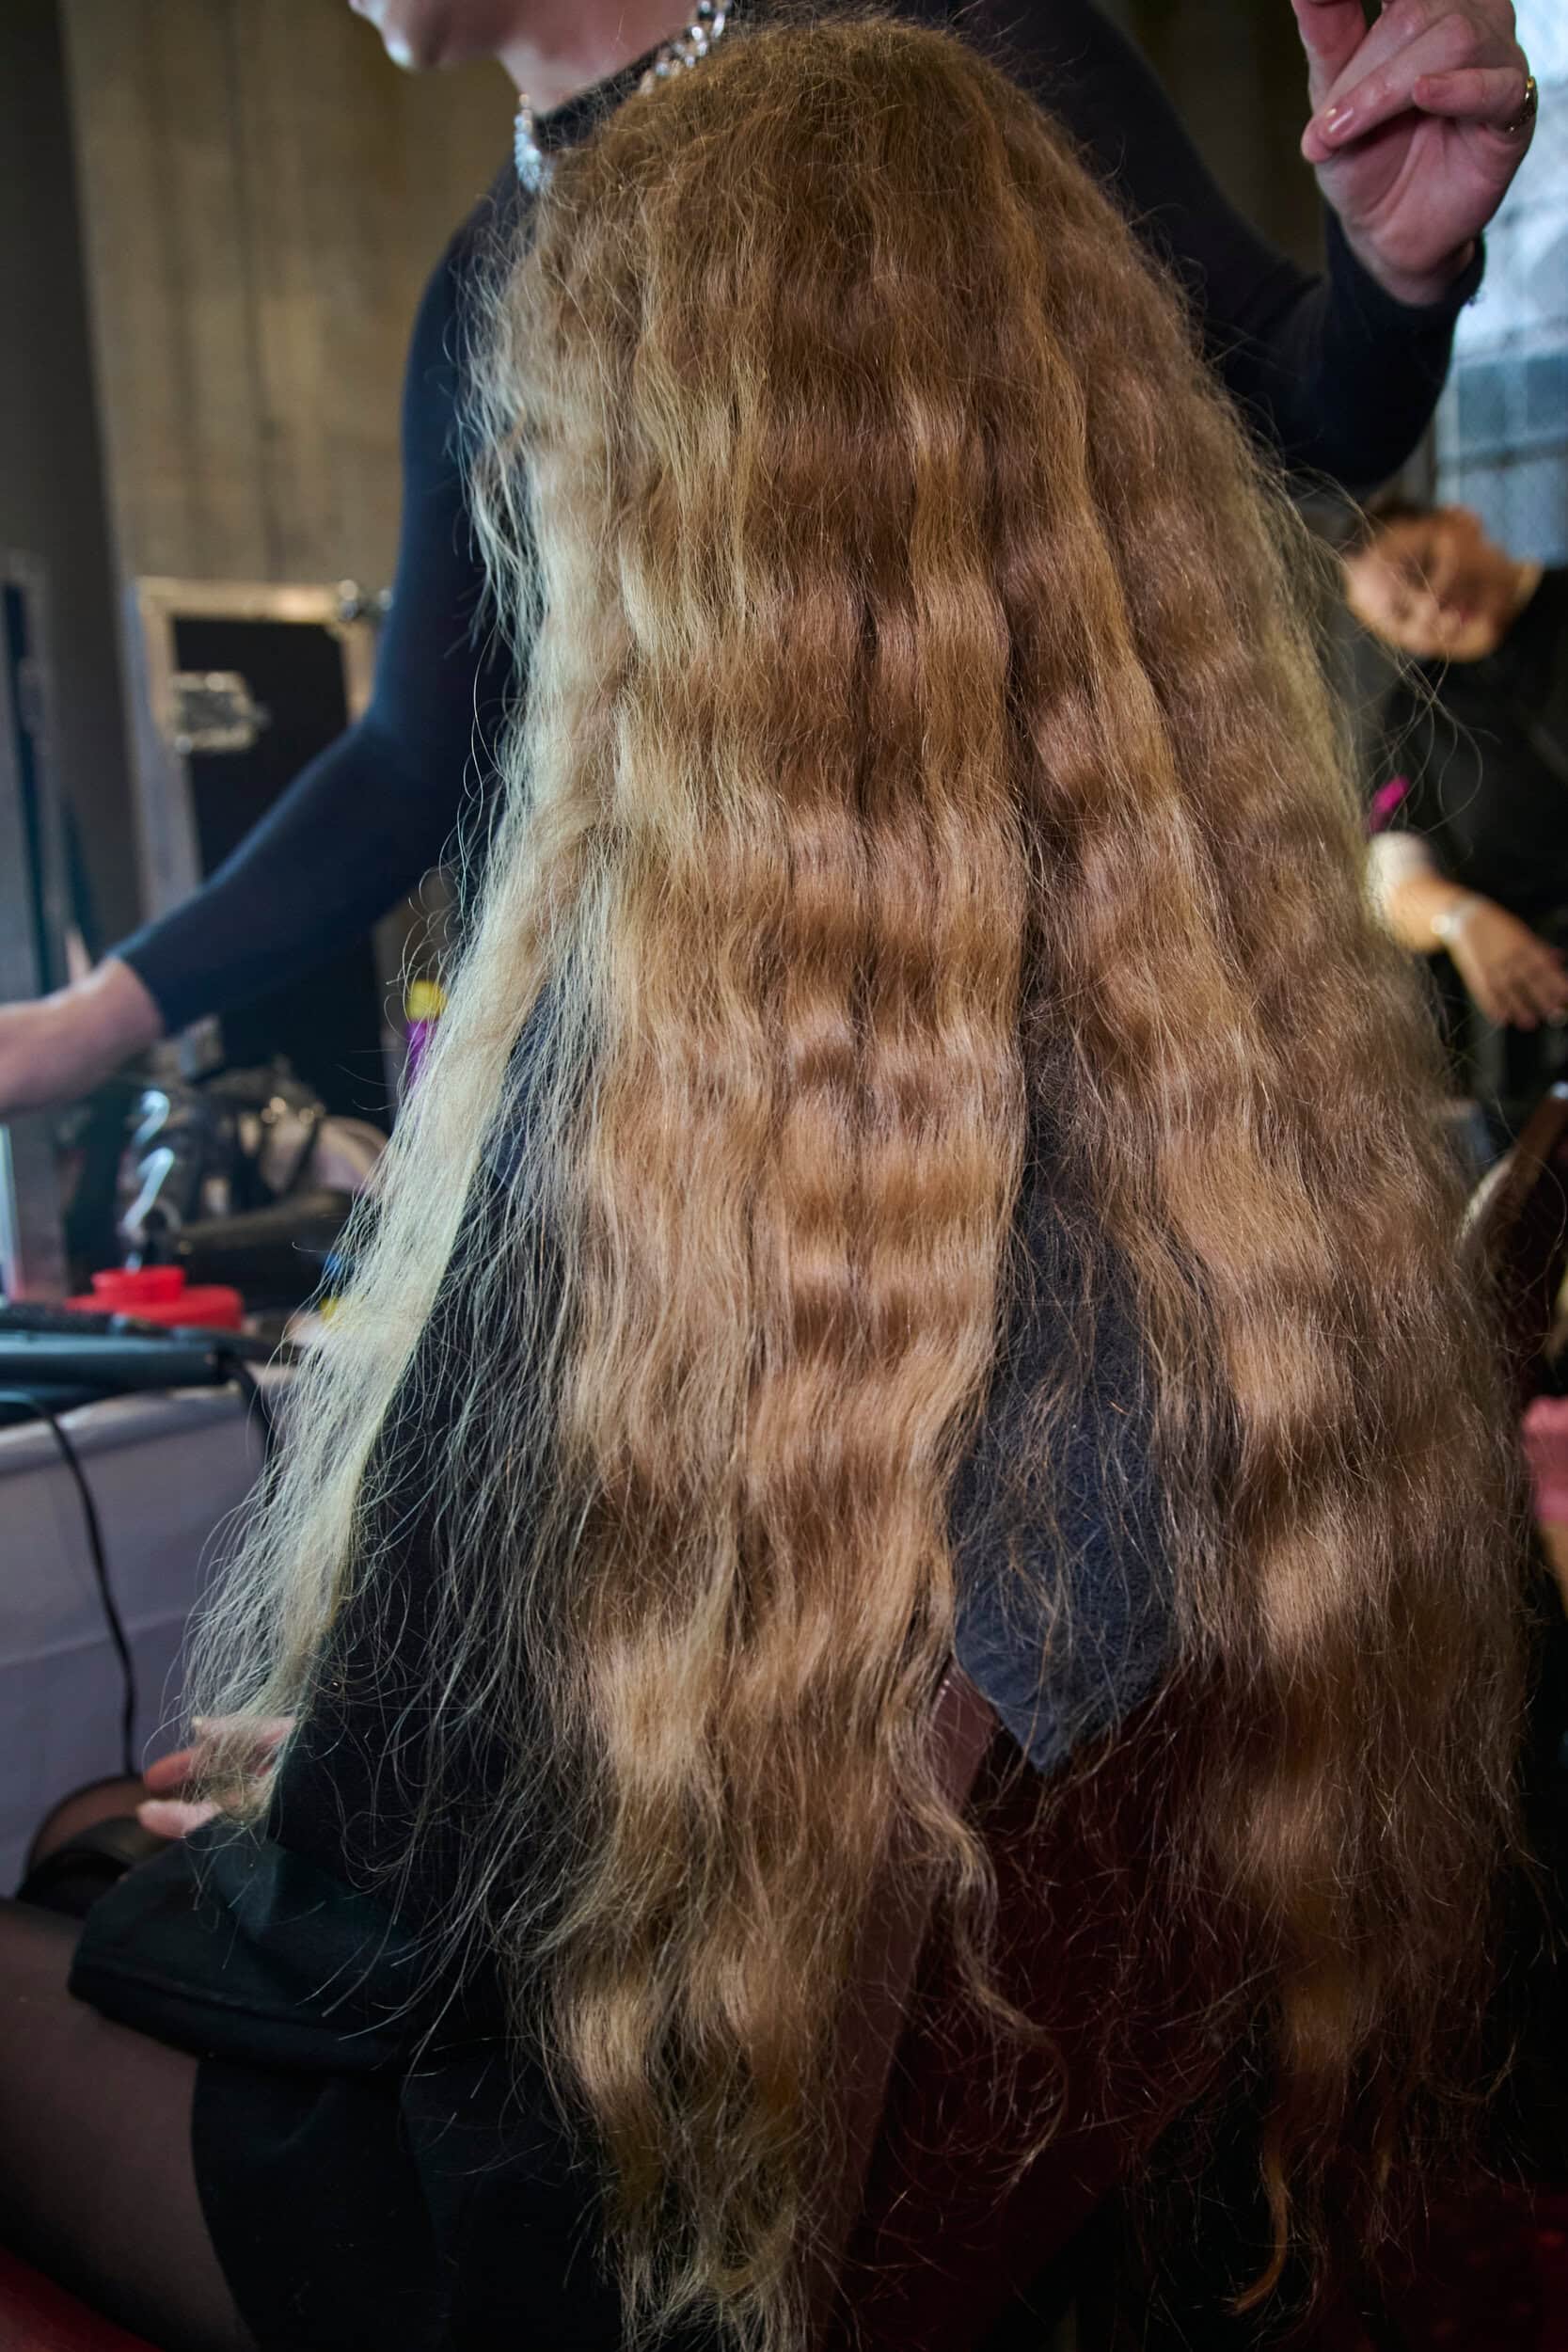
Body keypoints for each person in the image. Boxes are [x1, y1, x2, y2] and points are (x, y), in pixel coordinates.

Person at [0, 19, 1527, 2349]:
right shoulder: (1220, 1125)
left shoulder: (655, 1146)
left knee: (65, 1864)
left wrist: (326, 1821)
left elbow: (428, 1903)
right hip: (864, 2128)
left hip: (594, 2208)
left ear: (661, 548)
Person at [0, 0, 1539, 1120]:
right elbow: (411, 757)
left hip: (1067, 1040)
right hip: (711, 1104)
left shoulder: (941, 41)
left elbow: (1291, 408)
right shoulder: (480, 288)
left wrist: (1394, 270)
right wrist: (87, 1021)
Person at [1348, 500, 1568, 1139]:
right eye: (1401, 615)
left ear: (1460, 521)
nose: (1430, 605)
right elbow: (1390, 886)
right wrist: (1460, 918)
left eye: (1424, 567)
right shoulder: (1413, 721)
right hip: (1540, 1049)